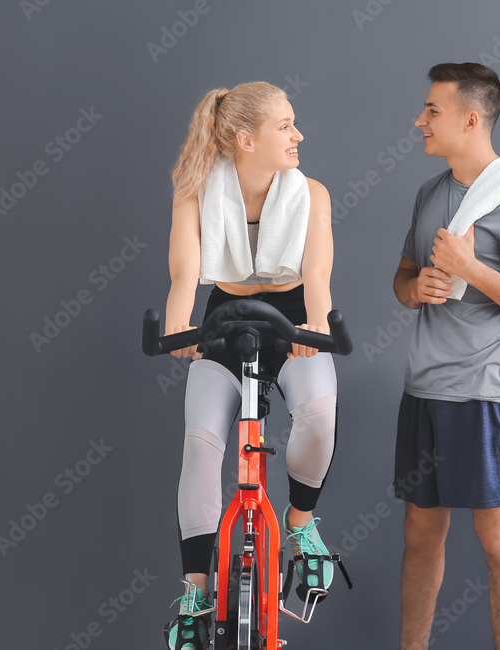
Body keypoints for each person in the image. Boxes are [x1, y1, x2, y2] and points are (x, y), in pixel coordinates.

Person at [392, 62, 500, 650]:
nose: (420, 120)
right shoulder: (429, 193)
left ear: (470, 119)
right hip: (426, 386)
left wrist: (470, 269)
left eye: (432, 111)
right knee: (420, 531)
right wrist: (414, 290)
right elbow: (404, 275)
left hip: (487, 389)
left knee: (496, 533)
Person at [162, 81, 339, 650]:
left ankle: (301, 524)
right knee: (201, 443)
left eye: (295, 123)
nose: (299, 134)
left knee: (317, 413)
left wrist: (316, 326)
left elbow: (318, 281)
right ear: (245, 138)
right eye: (285, 125)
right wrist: (178, 328)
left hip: (291, 315)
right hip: (225, 315)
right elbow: (185, 276)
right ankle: (195, 591)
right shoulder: (195, 193)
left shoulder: (312, 193)